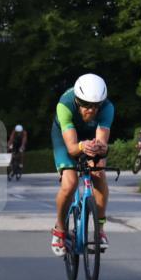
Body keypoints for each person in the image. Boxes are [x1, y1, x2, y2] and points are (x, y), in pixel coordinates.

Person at [50, 74, 114, 256]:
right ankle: (60, 229)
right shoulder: (65, 105)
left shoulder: (108, 107)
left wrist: (100, 147)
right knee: (69, 184)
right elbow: (71, 148)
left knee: (99, 174)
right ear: (77, 101)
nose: (91, 110)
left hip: (89, 136)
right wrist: (81, 146)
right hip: (66, 139)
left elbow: (102, 141)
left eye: (96, 106)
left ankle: (100, 230)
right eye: (86, 105)